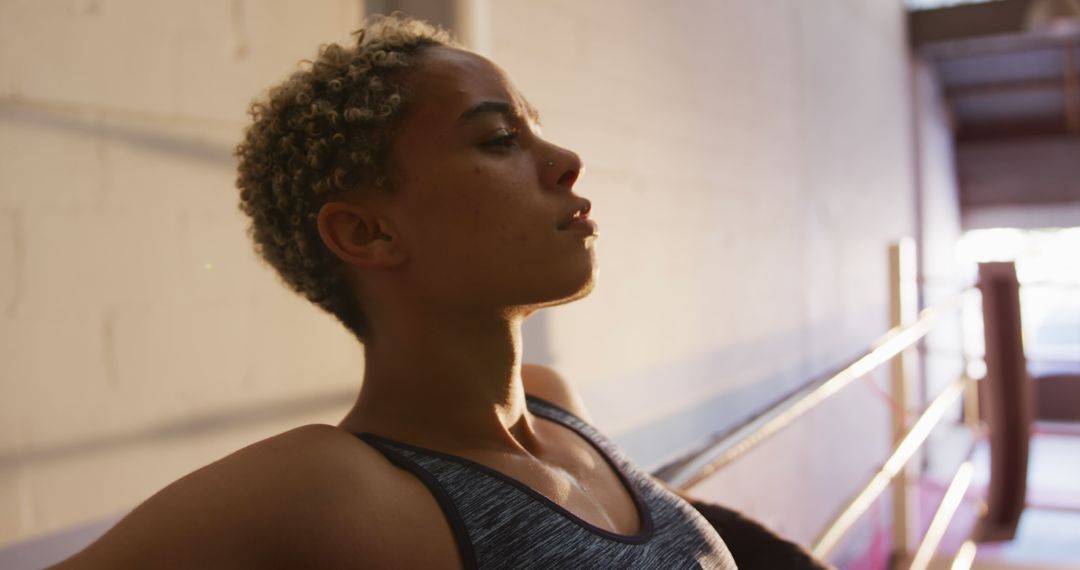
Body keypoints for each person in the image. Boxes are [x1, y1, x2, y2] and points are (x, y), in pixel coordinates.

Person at [53, 15, 827, 569]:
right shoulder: (331, 486)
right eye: (500, 141)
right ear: (368, 234)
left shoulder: (552, 403)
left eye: (535, 129)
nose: (566, 162)